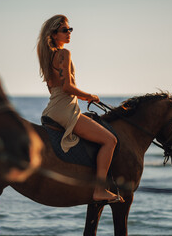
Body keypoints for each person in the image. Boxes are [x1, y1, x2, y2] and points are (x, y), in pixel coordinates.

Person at [37, 14, 124, 203]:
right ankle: (99, 190)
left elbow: (54, 88)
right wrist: (89, 96)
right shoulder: (64, 54)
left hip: (53, 108)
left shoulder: (47, 57)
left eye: (70, 29)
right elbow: (67, 87)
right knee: (110, 140)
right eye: (64, 30)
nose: (69, 33)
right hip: (65, 109)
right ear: (53, 34)